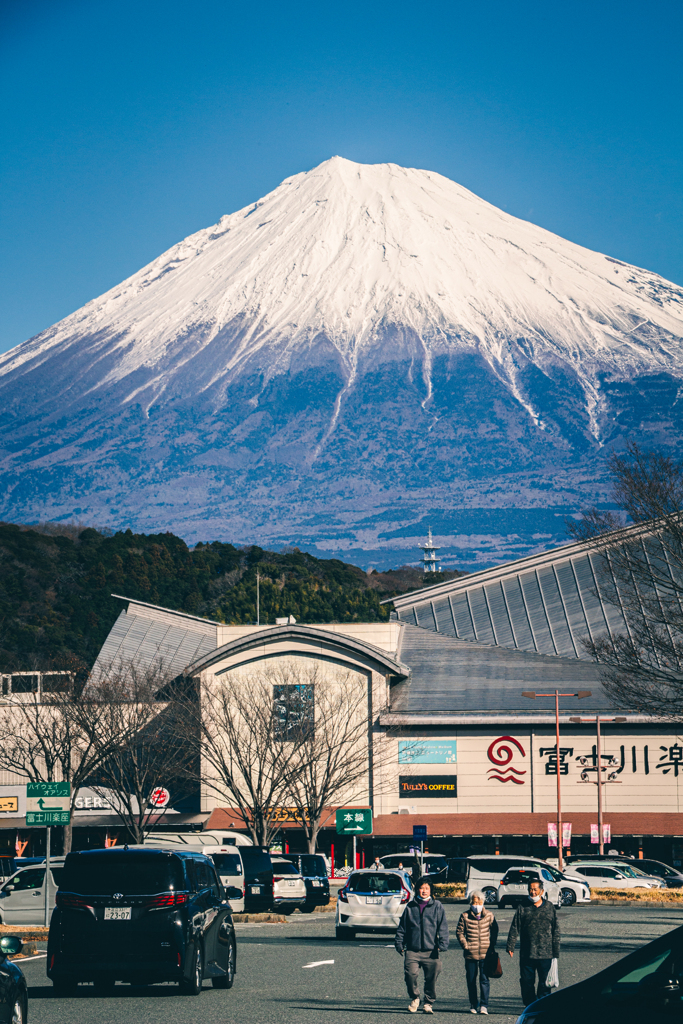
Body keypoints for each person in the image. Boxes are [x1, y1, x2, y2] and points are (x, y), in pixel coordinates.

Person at [395, 876, 449, 1014]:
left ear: (431, 890)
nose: (424, 891)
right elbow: (402, 927)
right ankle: (415, 998)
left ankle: (428, 1003)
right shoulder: (410, 907)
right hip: (412, 950)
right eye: (421, 888)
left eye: (427, 888)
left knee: (431, 978)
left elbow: (443, 926)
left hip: (431, 950)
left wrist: (443, 943)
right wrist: (399, 943)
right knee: (410, 975)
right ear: (417, 889)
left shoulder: (437, 906)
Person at [506, 878, 560, 1006]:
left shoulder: (549, 907)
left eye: (535, 889)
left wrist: (556, 952)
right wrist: (510, 946)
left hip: (546, 954)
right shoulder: (523, 907)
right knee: (526, 982)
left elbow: (556, 930)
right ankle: (529, 1006)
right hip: (527, 953)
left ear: (541, 891)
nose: (532, 892)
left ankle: (542, 1006)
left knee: (545, 984)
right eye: (530, 889)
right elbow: (515, 926)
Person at [456, 890, 498, 1014]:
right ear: (470, 903)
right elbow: (459, 932)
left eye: (479, 902)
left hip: (485, 953)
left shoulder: (489, 915)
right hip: (470, 953)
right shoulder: (464, 916)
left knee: (484, 979)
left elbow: (494, 930)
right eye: (474, 902)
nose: (477, 905)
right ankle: (473, 1003)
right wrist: (465, 945)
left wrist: (491, 945)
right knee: (471, 979)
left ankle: (484, 1005)